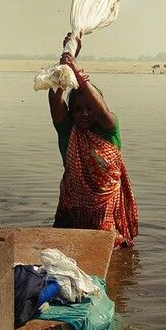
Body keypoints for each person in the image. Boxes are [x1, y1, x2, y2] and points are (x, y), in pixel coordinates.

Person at [47, 33, 138, 247]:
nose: (84, 114)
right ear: (71, 113)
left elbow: (102, 110)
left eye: (89, 108)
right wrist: (66, 69)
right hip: (73, 200)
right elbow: (54, 100)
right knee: (65, 245)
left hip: (106, 204)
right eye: (78, 109)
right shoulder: (68, 130)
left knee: (107, 248)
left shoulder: (109, 129)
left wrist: (77, 72)